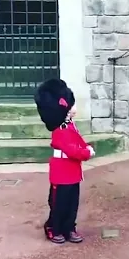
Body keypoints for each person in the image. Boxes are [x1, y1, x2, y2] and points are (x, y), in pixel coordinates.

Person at [34, 79, 96, 244]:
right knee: (58, 203)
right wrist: (86, 153)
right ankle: (53, 228)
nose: (74, 109)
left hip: (72, 172)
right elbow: (72, 150)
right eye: (71, 106)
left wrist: (86, 147)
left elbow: (78, 141)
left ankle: (69, 228)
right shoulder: (60, 130)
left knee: (72, 203)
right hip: (61, 173)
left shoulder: (69, 126)